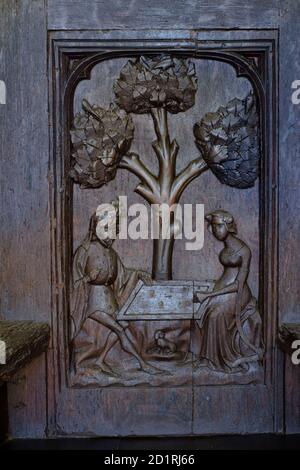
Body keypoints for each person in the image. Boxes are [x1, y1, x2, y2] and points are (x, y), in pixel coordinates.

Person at [70, 200, 161, 376]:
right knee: (119, 328)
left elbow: (123, 274)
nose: (111, 236)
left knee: (123, 324)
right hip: (93, 301)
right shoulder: (85, 250)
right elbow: (73, 281)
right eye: (107, 231)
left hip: (108, 299)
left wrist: (139, 273)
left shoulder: (111, 253)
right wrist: (88, 278)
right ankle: (143, 363)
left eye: (113, 232)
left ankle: (99, 360)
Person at [194, 210, 264, 372]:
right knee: (200, 311)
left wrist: (209, 295)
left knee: (215, 315)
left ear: (229, 226)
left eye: (219, 226)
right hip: (224, 289)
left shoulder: (244, 251)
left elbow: (239, 283)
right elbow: (226, 275)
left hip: (237, 293)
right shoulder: (226, 246)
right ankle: (206, 357)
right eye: (213, 226)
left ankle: (223, 359)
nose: (215, 230)